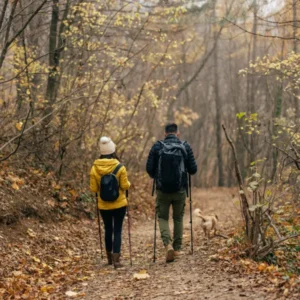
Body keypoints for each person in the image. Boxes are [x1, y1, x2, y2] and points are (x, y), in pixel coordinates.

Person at [146, 123, 197, 263]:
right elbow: (193, 169)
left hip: (162, 190)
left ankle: (167, 244)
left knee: (162, 217)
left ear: (165, 133)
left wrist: (157, 175)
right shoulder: (185, 146)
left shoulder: (158, 146)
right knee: (178, 218)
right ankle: (177, 248)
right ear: (178, 133)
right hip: (180, 190)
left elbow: (149, 169)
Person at [90, 137, 130, 269]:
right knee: (117, 229)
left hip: (103, 205)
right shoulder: (120, 167)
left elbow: (94, 189)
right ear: (113, 150)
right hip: (119, 205)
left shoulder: (95, 168)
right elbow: (125, 186)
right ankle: (117, 260)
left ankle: (108, 258)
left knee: (108, 229)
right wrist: (128, 184)